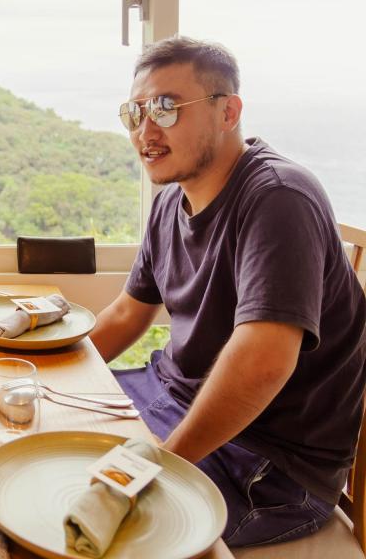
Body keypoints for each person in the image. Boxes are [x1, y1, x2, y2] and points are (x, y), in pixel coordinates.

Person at [91, 36, 366, 547]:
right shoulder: (170, 200)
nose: (145, 130)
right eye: (135, 112)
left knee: (89, 520)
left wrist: (158, 466)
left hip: (269, 461)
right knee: (34, 429)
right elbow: (129, 311)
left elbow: (263, 361)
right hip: (172, 396)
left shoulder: (279, 199)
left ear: (228, 111)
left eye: (166, 108)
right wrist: (52, 363)